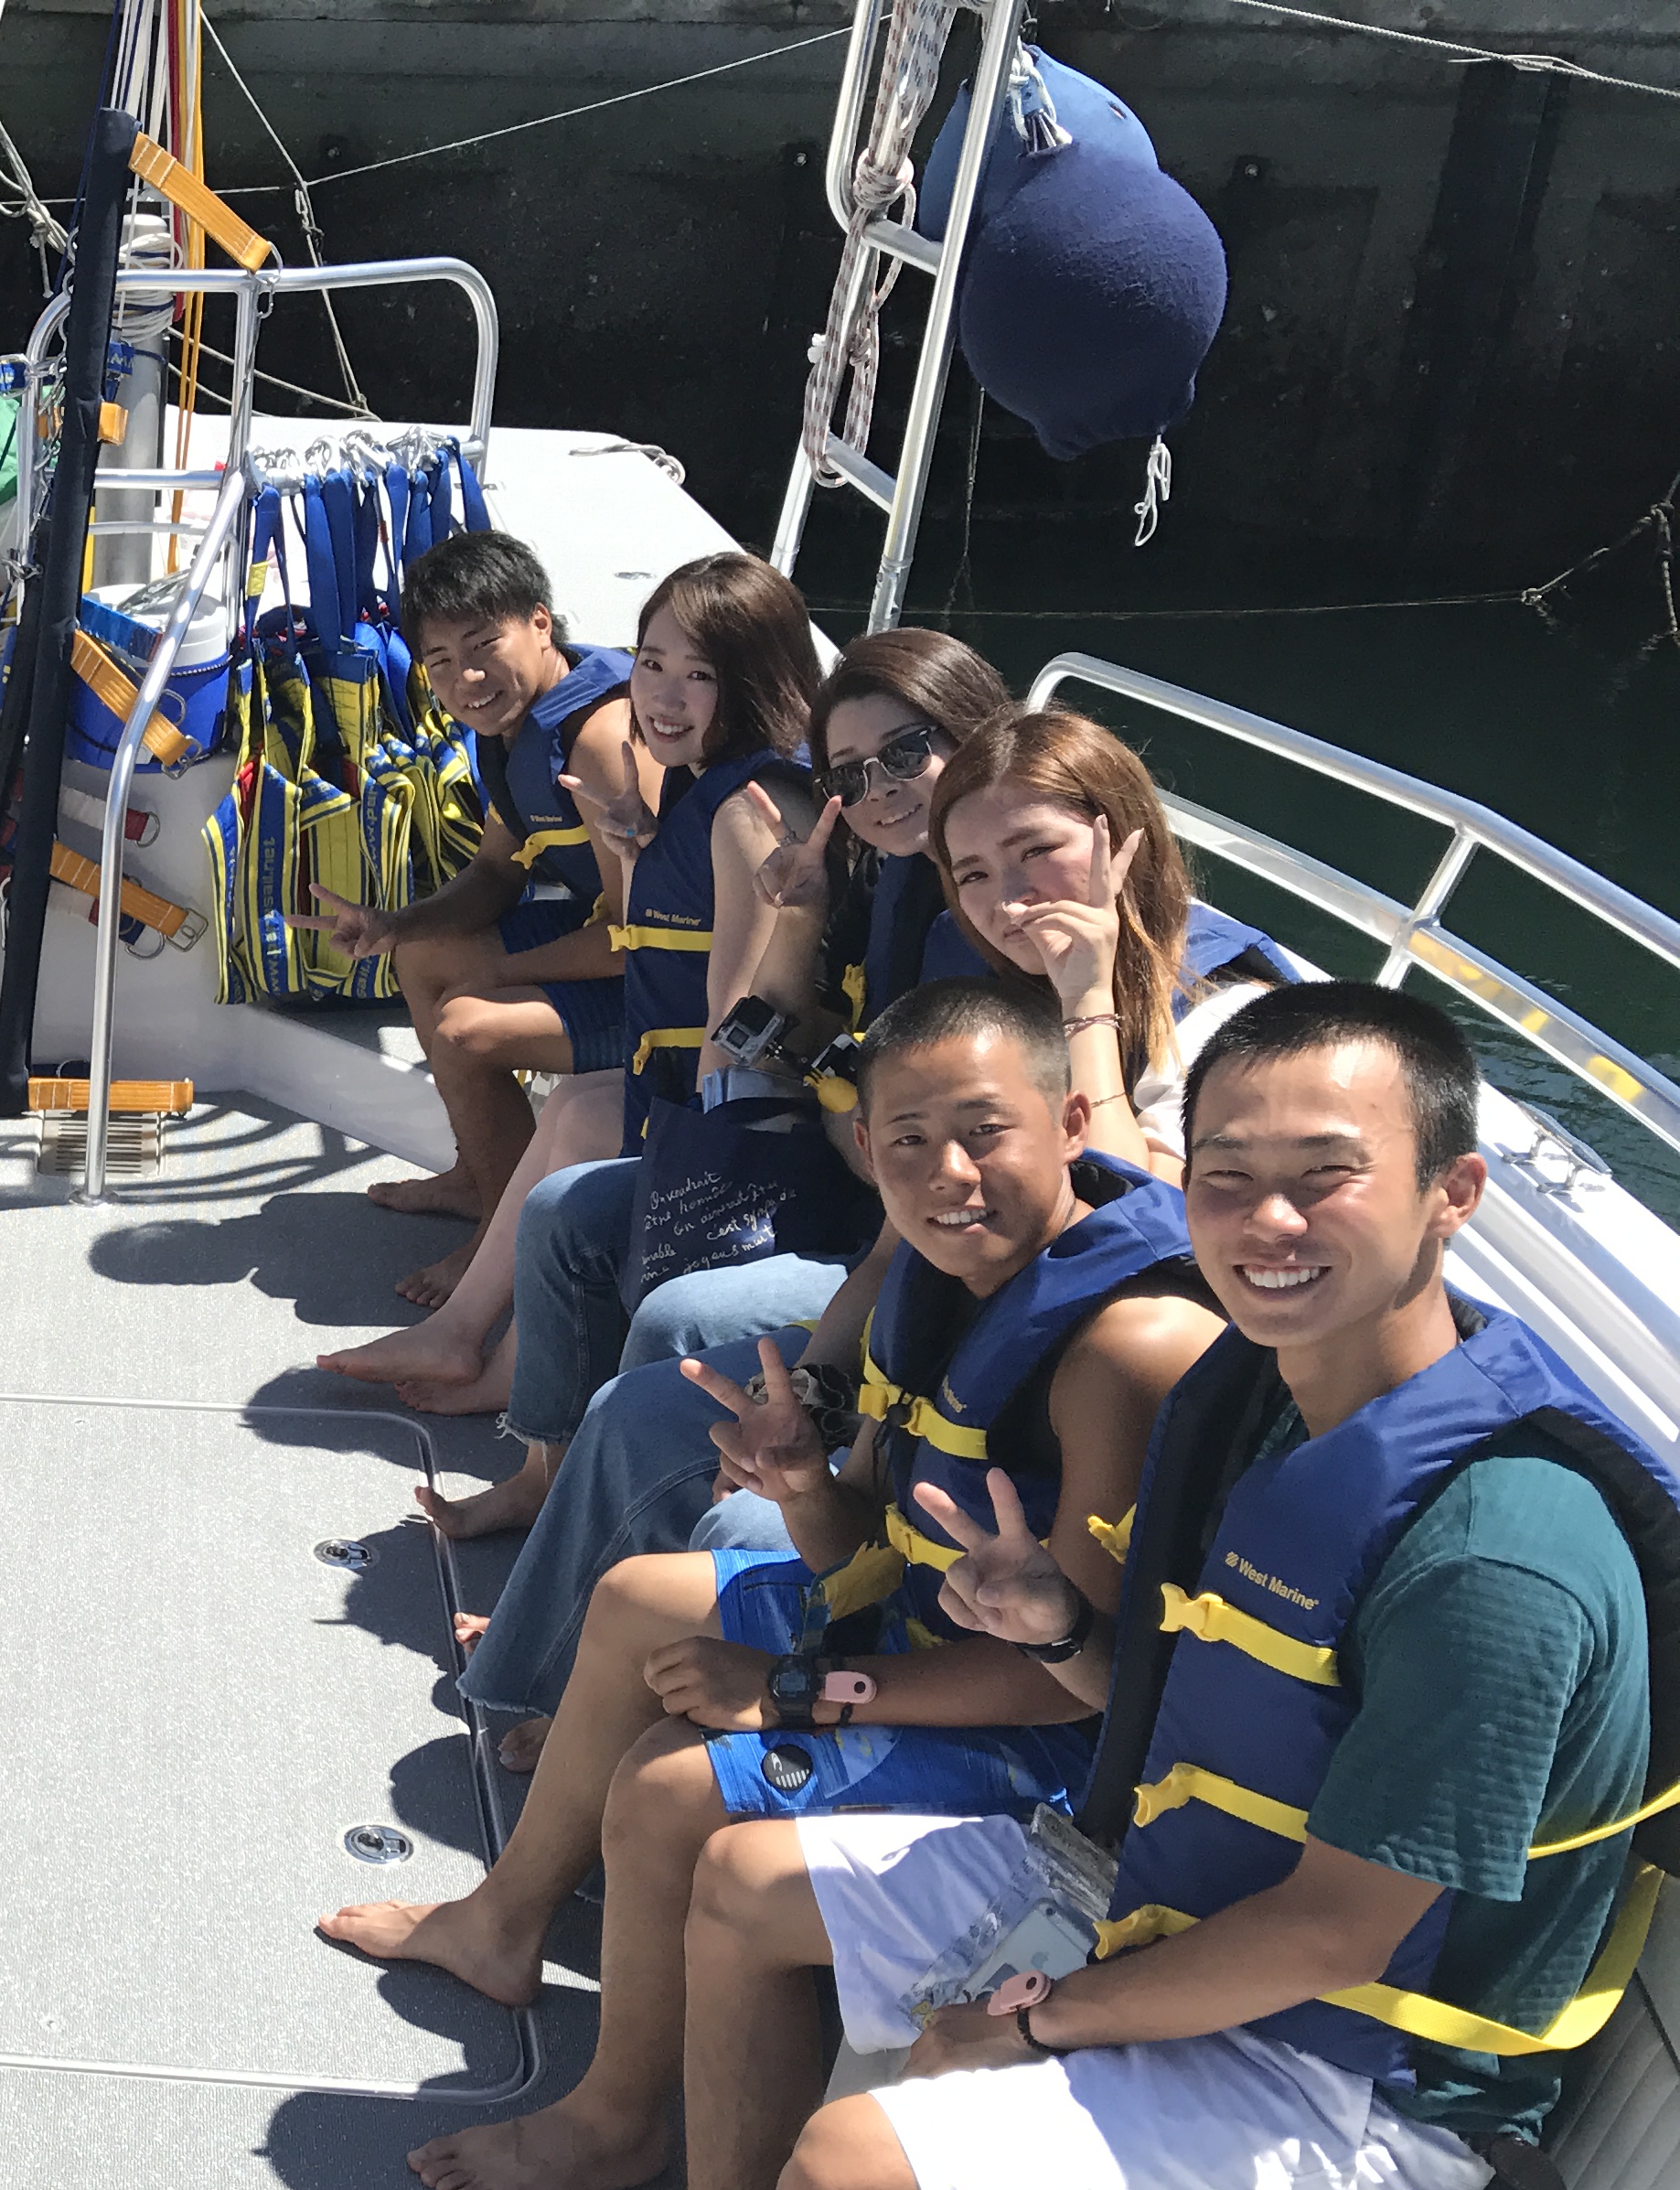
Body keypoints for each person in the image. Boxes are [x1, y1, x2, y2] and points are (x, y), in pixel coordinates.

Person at [517, 982, 1676, 2190]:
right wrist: (1057, 1626)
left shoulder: (1492, 1560)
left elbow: (1335, 1933)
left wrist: (1027, 2023)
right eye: (1227, 1176)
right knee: (737, 1880)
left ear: (1452, 1193)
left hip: (1352, 2078)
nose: (1266, 1221)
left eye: (1324, 1174)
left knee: (845, 2171)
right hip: (1164, 1896)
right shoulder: (1270, 1397)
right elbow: (1157, 1695)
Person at [326, 977, 1225, 2190]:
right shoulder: (938, 1267)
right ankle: (503, 1924)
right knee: (639, 1596)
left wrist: (796, 1690)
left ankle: (615, 2120)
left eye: (984, 1131)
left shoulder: (1122, 1350)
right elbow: (858, 1539)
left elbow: (1079, 1684)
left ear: (1073, 1121)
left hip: (1057, 1755)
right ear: (867, 1146)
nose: (950, 1173)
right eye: (909, 1141)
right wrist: (802, 1485)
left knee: (669, 1785)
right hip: (936, 1633)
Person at [449, 682, 1283, 1766]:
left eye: (1035, 853)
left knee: (731, 1492)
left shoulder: (1222, 1030)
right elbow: (893, 1230)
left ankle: (659, 1709)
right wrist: (814, 1393)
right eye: (973, 873)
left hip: (1046, 1419)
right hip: (941, 1342)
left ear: (1120, 836)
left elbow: (1131, 1237)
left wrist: (1089, 998)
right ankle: (569, 1676)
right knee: (643, 1406)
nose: (1005, 898)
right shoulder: (984, 974)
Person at [319, 553, 827, 1435]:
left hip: (723, 1107)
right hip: (672, 1049)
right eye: (651, 664)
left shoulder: (740, 804)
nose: (660, 696)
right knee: (566, 1108)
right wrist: (629, 850)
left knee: (568, 1123)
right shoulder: (674, 771)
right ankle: (466, 1334)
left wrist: (682, 1134)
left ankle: (510, 1396)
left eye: (699, 675)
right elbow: (587, 899)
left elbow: (734, 1011)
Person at [270, 529, 642, 1295]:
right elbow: (497, 870)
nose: (465, 678)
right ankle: (481, 1180)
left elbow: (637, 940)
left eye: (483, 645)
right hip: (617, 945)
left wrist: (501, 974)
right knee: (423, 954)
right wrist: (394, 925)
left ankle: (503, 1246)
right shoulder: (514, 728)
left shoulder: (599, 742)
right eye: (439, 661)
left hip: (677, 991)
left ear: (541, 623)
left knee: (466, 1027)